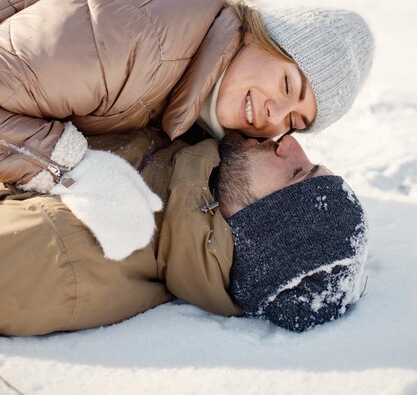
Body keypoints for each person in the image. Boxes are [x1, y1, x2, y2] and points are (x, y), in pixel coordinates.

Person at [0, 0, 374, 201]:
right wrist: (64, 166)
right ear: (263, 38)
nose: (273, 116)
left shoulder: (195, 63)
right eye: (288, 85)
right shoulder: (134, 40)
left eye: (294, 120)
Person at [0, 127, 368, 337]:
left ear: (254, 222)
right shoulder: (190, 167)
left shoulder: (64, 257)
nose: (291, 144)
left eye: (296, 172)